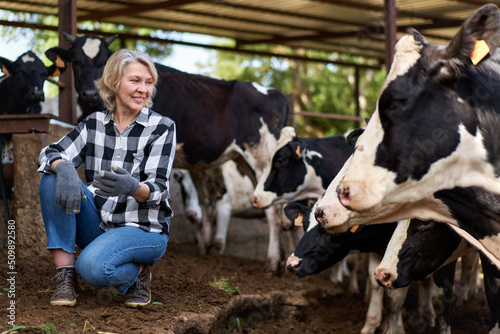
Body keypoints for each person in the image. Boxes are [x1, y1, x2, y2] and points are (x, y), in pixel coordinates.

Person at [37, 49, 176, 308]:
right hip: (100, 224)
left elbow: (159, 188)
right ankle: (65, 278)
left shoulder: (162, 127)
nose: (143, 89)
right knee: (51, 177)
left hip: (144, 230)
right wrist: (64, 167)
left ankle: (137, 276)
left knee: (91, 269)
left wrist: (134, 187)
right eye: (135, 81)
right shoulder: (94, 124)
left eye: (148, 83)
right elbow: (50, 152)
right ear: (114, 82)